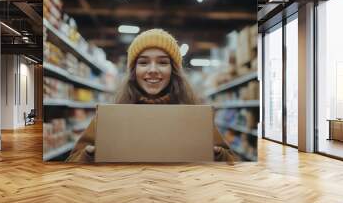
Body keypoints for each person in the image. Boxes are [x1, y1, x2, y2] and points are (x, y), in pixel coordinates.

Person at [66, 29, 235, 164]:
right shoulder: (110, 117)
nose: (153, 69)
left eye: (162, 62)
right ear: (133, 71)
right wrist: (87, 156)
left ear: (173, 71)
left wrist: (218, 156)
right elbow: (71, 162)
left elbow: (231, 160)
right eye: (143, 62)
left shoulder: (194, 117)